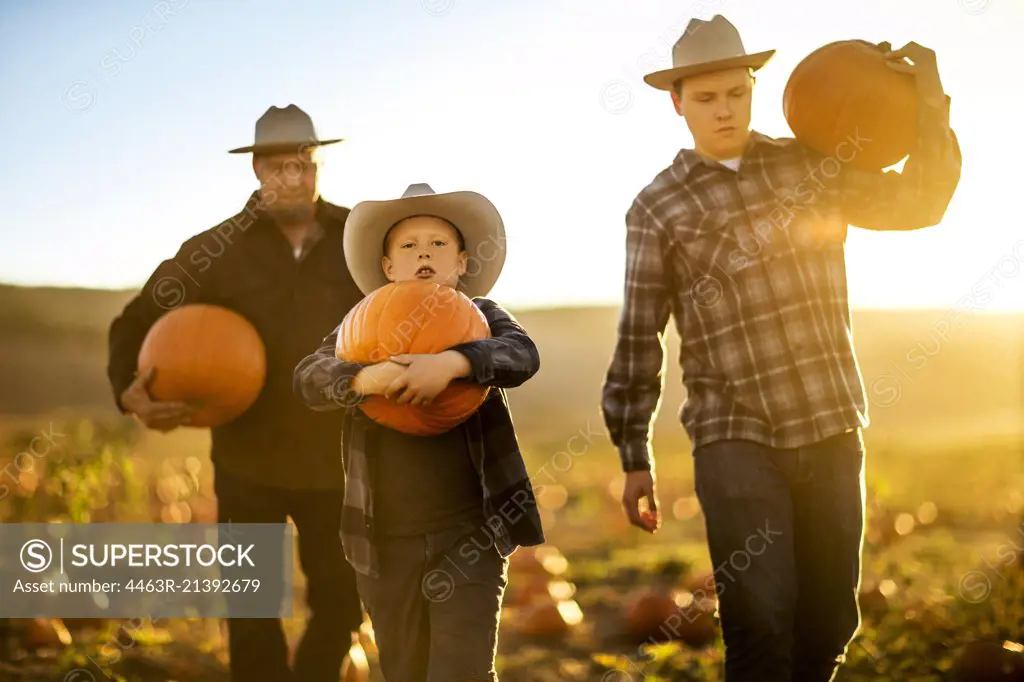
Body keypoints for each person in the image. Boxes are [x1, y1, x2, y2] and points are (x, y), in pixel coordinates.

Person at [601, 15, 961, 682]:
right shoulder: (657, 206)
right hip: (733, 435)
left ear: (753, 87)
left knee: (827, 623)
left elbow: (921, 201)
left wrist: (929, 97)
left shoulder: (811, 166)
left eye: (735, 93)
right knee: (761, 624)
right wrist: (633, 452)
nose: (723, 110)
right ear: (676, 102)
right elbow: (639, 332)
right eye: (705, 99)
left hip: (829, 419)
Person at [106, 105, 367, 682]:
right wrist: (131, 393)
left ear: (318, 162)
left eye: (306, 163)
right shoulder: (214, 250)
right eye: (279, 166)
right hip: (248, 461)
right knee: (250, 611)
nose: (294, 177)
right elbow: (136, 319)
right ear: (255, 170)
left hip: (342, 460)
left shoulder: (362, 240)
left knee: (344, 603)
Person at [293, 182, 545, 682]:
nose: (423, 254)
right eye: (408, 246)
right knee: (405, 670)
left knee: (463, 672)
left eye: (437, 245)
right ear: (388, 267)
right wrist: (364, 377)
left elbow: (522, 354)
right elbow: (308, 378)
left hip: (469, 533)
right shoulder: (356, 327)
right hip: (384, 543)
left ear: (462, 263)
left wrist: (453, 363)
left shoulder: (483, 318)